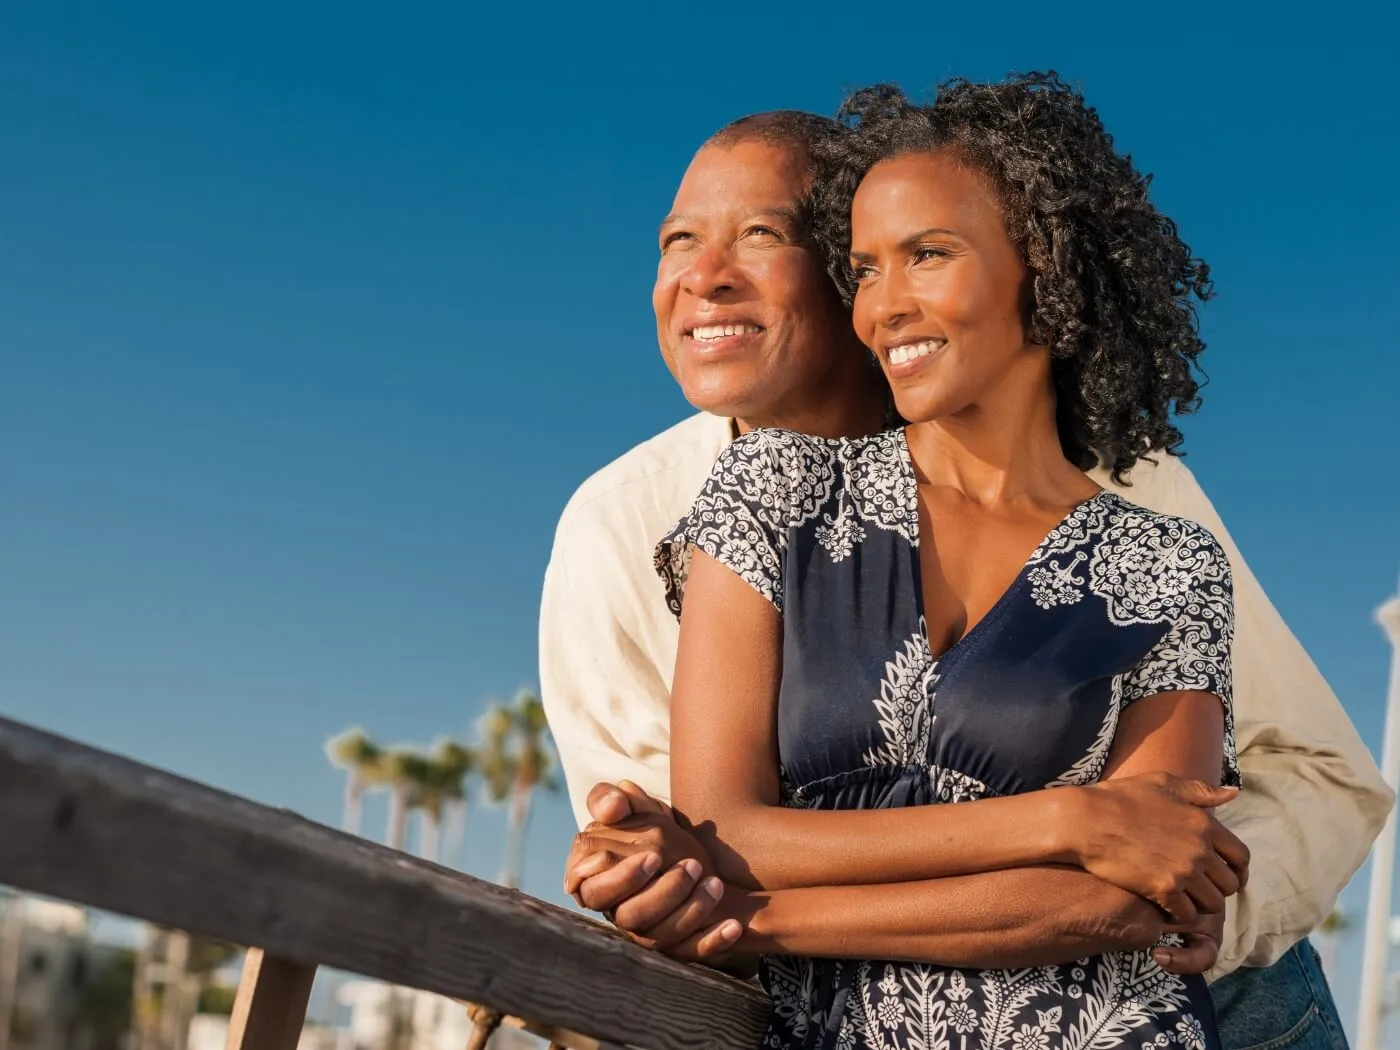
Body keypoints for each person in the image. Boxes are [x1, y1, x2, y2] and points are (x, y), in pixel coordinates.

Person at [540, 91, 1389, 1050]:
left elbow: (1303, 781)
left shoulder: (1134, 495)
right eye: (677, 241)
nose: (704, 279)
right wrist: (1077, 823)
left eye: (761, 234)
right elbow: (702, 858)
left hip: (1217, 1009)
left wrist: (1183, 905)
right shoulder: (638, 519)